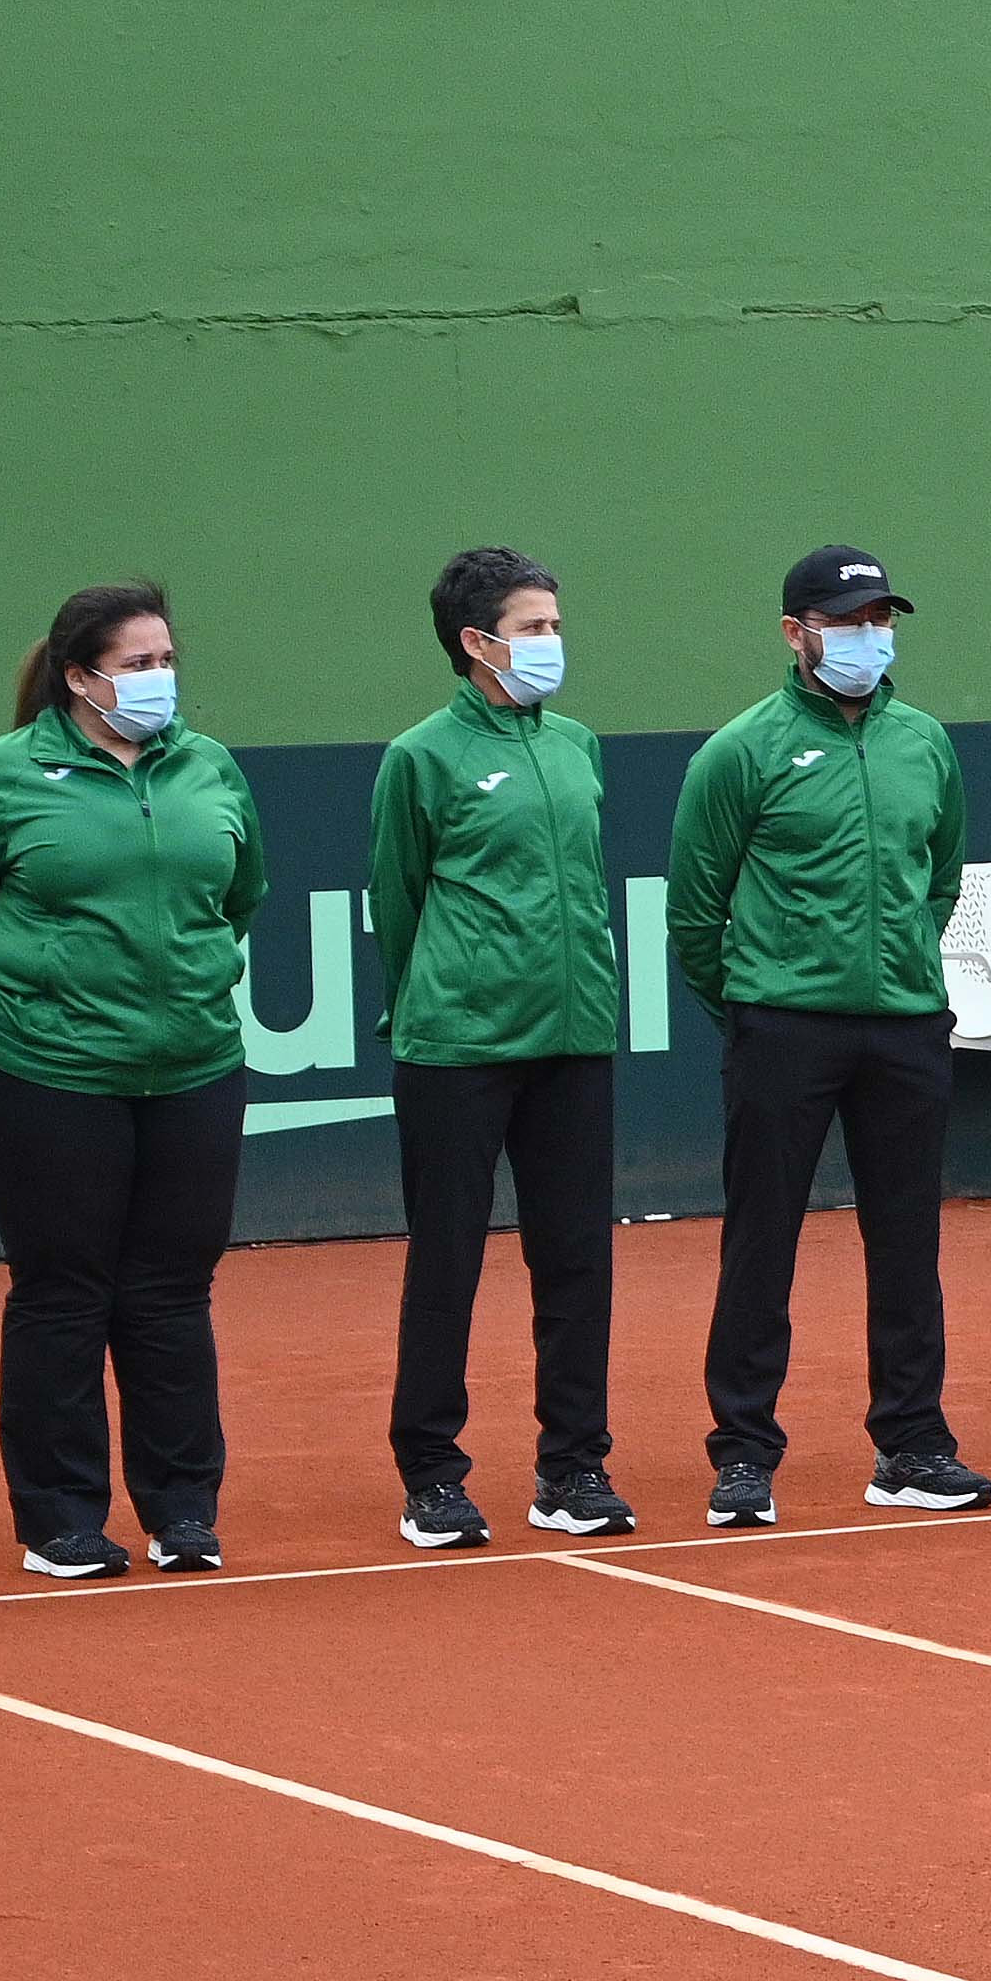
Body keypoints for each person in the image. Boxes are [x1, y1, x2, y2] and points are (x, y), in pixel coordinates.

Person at [0, 584, 264, 1581]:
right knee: (64, 1290)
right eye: (136, 664)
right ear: (77, 676)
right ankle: (62, 1517)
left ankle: (183, 1508)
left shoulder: (208, 766)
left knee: (172, 1290)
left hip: (195, 1065)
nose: (159, 679)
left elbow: (242, 893)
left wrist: (184, 987)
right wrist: (27, 994)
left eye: (164, 660)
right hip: (47, 1072)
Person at [668, 547, 985, 1529]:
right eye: (847, 619)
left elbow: (938, 876)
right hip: (781, 1030)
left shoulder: (925, 743)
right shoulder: (740, 752)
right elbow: (694, 912)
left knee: (907, 1243)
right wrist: (761, 1007)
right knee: (762, 1240)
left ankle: (913, 1444)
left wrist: (895, 976)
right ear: (796, 631)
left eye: (880, 617)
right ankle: (744, 1453)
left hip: (905, 1027)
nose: (868, 636)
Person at [368, 550, 624, 1551]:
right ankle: (431, 1473)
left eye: (555, 626)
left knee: (577, 1259)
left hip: (576, 1038)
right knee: (447, 1260)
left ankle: (574, 1467)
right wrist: (434, 999)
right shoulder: (421, 758)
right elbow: (398, 900)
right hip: (458, 1045)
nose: (551, 643)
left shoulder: (577, 746)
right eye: (532, 628)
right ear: (477, 643)